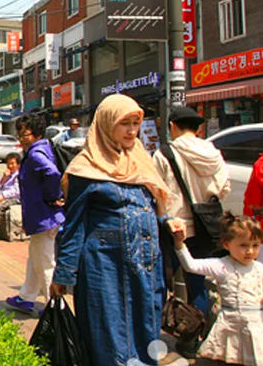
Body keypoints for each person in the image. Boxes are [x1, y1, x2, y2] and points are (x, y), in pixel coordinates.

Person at [50, 94, 170, 366]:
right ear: (106, 124)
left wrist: (167, 221)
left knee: (146, 332)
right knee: (110, 337)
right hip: (105, 269)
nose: (132, 131)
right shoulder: (85, 168)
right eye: (124, 124)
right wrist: (63, 274)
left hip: (145, 267)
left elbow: (154, 206)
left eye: (135, 123)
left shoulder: (140, 160)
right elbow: (74, 225)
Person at [152, 105, 230, 356]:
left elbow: (156, 191)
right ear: (197, 129)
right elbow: (224, 189)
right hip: (205, 228)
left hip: (173, 228)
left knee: (160, 285)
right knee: (197, 284)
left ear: (172, 126)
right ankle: (192, 340)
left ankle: (152, 340)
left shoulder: (165, 153)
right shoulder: (214, 153)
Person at [170, 213, 263, 365]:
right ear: (226, 244)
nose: (250, 251)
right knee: (227, 360)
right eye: (243, 245)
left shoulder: (259, 268)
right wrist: (179, 243)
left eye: (255, 245)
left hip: (255, 327)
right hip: (230, 326)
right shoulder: (221, 265)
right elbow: (191, 266)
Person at [5, 114, 65, 314]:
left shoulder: (36, 153)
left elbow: (52, 173)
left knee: (45, 263)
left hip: (43, 216)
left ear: (37, 134)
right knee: (35, 258)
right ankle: (26, 297)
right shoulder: (40, 149)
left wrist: (52, 196)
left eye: (26, 134)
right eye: (19, 134)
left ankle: (54, 307)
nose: (21, 138)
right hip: (43, 215)